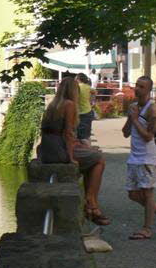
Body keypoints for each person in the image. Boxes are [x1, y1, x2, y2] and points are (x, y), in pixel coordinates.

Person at [38, 76, 108, 224]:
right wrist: (71, 158)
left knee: (92, 157)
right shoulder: (69, 105)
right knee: (99, 159)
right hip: (60, 151)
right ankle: (91, 202)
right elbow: (68, 134)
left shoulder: (53, 105)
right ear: (73, 91)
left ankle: (90, 206)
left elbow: (59, 133)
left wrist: (82, 147)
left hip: (48, 149)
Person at [121, 75, 156, 240]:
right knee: (132, 194)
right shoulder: (134, 106)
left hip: (147, 158)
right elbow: (125, 133)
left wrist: (136, 119)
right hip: (134, 157)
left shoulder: (152, 108)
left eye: (142, 87)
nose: (137, 88)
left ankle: (147, 229)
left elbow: (149, 136)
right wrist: (131, 118)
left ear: (149, 90)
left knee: (148, 194)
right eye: (136, 85)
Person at [76, 72, 95, 141]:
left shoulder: (76, 87)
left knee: (79, 135)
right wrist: (92, 100)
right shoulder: (88, 87)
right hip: (87, 110)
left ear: (78, 79)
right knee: (87, 134)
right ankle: (88, 148)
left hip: (78, 112)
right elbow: (95, 92)